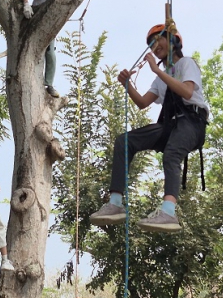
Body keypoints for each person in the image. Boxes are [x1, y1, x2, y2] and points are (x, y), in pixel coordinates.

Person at [89, 23, 209, 233]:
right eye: (151, 44)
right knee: (124, 141)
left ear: (173, 41)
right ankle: (115, 202)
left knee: (171, 154)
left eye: (158, 40)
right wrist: (128, 86)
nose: (155, 46)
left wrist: (156, 69)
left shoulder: (186, 64)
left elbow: (187, 92)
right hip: (172, 126)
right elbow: (143, 102)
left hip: (192, 123)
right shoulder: (160, 79)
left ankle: (169, 212)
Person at [22, 0, 63, 98]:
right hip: (35, 17)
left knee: (51, 55)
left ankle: (48, 84)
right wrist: (26, 6)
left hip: (49, 25)